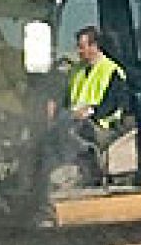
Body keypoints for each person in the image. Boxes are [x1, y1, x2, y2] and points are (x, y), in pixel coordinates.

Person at [49, 26, 129, 185]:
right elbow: (67, 98)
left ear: (94, 46)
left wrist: (90, 111)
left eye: (81, 46)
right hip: (75, 121)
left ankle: (83, 176)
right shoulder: (76, 70)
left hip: (103, 126)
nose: (78, 51)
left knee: (78, 135)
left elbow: (113, 104)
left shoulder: (112, 71)